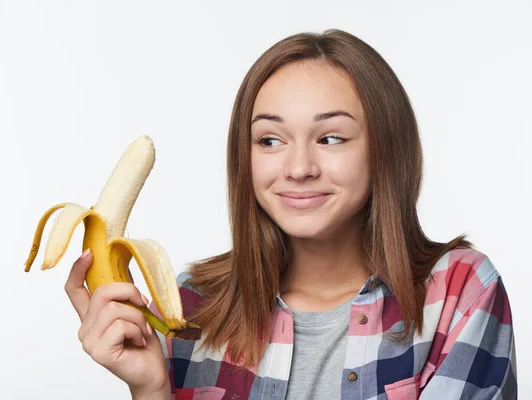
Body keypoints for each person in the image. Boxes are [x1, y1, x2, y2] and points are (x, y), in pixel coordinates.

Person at [64, 29, 517, 399]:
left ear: (385, 149)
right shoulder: (189, 308)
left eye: (332, 138)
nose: (299, 169)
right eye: (270, 140)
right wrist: (152, 388)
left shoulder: (460, 293)